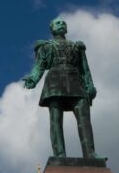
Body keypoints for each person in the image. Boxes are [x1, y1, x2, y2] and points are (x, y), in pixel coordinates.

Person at [23, 18, 102, 159]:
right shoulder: (46, 46)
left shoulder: (77, 46)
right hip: (54, 82)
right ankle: (59, 154)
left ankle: (90, 153)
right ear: (52, 29)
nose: (61, 25)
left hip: (76, 82)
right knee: (55, 120)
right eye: (57, 23)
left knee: (84, 118)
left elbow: (85, 68)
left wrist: (90, 85)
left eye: (63, 23)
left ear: (66, 29)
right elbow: (40, 66)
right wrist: (33, 79)